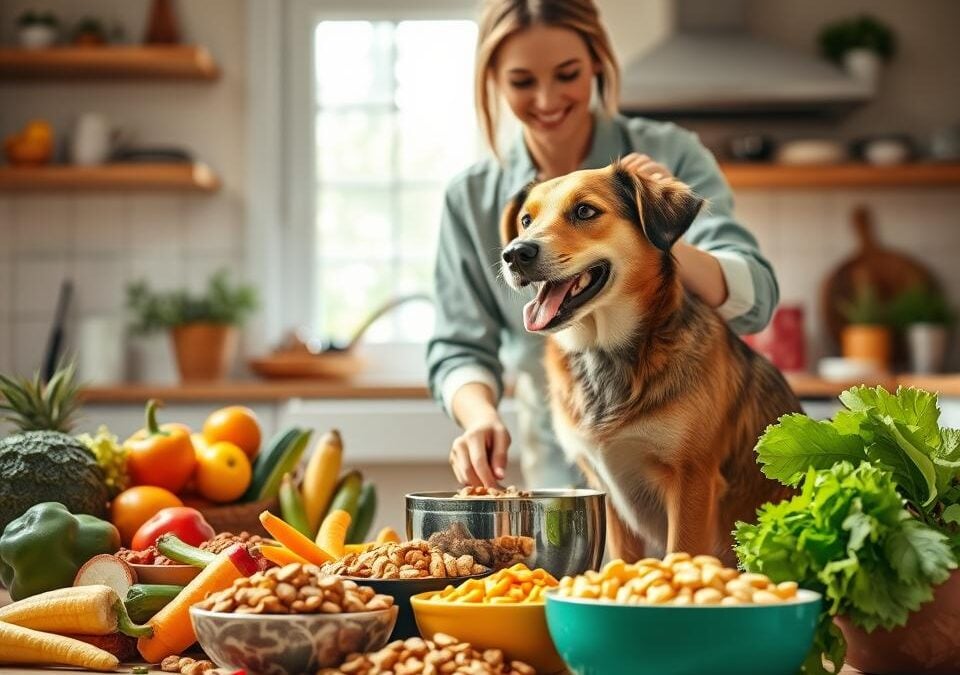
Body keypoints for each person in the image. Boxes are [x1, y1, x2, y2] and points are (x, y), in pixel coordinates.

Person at [427, 0, 779, 489]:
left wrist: (650, 224)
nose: (547, 99)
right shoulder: (471, 198)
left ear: (597, 62)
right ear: (494, 81)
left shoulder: (670, 155)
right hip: (560, 466)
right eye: (523, 82)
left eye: (567, 74)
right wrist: (480, 416)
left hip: (682, 465)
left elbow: (755, 296)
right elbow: (459, 344)